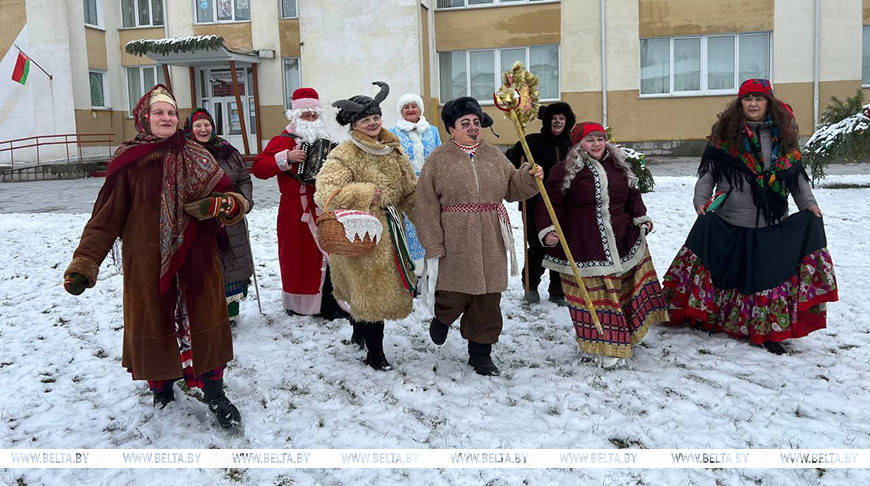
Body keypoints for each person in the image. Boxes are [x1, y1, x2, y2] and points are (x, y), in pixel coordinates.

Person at [62, 85, 247, 428]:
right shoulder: (129, 161)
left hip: (198, 258)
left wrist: (223, 205)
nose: (166, 118)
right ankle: (161, 390)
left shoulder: (198, 156)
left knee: (204, 323)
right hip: (146, 262)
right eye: (158, 112)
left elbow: (237, 199)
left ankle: (215, 392)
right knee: (154, 321)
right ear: (144, 118)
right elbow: (105, 218)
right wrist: (84, 263)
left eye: (172, 113)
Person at [662, 78, 838, 355]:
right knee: (724, 272)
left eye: (759, 98)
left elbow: (797, 180)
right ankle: (708, 317)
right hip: (730, 219)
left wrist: (809, 206)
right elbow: (708, 174)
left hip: (771, 221)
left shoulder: (783, 137)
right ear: (740, 103)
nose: (753, 103)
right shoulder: (724, 137)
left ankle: (768, 332)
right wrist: (700, 202)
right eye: (747, 99)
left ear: (769, 103)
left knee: (765, 277)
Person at [415, 96, 542, 376]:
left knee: (488, 297)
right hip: (455, 234)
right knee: (454, 291)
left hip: (491, 233)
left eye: (476, 122)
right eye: (465, 123)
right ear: (451, 128)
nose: (473, 128)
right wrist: (433, 241)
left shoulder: (493, 155)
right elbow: (425, 204)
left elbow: (513, 188)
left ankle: (481, 354)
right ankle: (443, 317)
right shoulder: (438, 159)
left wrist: (529, 177)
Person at [537, 122, 668, 368]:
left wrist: (642, 218)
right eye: (590, 140)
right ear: (579, 145)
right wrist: (548, 230)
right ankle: (603, 345)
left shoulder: (619, 166)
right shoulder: (564, 170)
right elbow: (548, 202)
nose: (596, 144)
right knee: (598, 297)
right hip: (584, 243)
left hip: (622, 237)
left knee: (623, 293)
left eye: (600, 139)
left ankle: (624, 336)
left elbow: (633, 197)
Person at [314, 81, 418, 371]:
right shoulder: (344, 154)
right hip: (360, 232)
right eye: (365, 120)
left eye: (375, 118)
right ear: (354, 124)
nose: (372, 124)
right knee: (370, 293)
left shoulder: (393, 150)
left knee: (369, 292)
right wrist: (362, 194)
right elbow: (326, 192)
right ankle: (376, 355)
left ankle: (359, 331)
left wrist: (426, 216)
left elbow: (410, 189)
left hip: (391, 231)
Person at [252, 88, 348, 320]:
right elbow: (259, 168)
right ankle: (300, 303)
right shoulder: (282, 140)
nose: (311, 119)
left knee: (330, 255)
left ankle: (330, 302)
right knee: (299, 258)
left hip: (323, 205)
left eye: (314, 115)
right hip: (295, 209)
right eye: (306, 115)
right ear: (295, 115)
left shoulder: (328, 141)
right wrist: (286, 158)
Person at [183, 107, 254, 323]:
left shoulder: (228, 151)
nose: (203, 129)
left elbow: (244, 179)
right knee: (203, 269)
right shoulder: (183, 153)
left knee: (233, 267)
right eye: (198, 125)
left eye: (207, 125)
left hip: (230, 217)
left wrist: (243, 201)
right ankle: (205, 316)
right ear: (190, 129)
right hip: (199, 220)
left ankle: (230, 315)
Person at [508, 102, 576, 306]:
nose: (557, 121)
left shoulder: (571, 145)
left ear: (567, 122)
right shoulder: (532, 141)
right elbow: (512, 160)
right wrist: (524, 170)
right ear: (547, 121)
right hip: (534, 201)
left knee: (561, 244)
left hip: (563, 203)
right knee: (538, 245)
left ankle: (557, 289)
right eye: (554, 118)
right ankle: (530, 284)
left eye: (562, 118)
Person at [389, 93, 442, 278]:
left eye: (414, 106)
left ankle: (431, 269)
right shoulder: (393, 133)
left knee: (430, 225)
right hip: (406, 189)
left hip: (429, 186)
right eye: (406, 107)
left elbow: (439, 158)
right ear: (401, 112)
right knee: (410, 228)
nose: (411, 110)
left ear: (420, 109)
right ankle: (412, 271)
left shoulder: (432, 130)